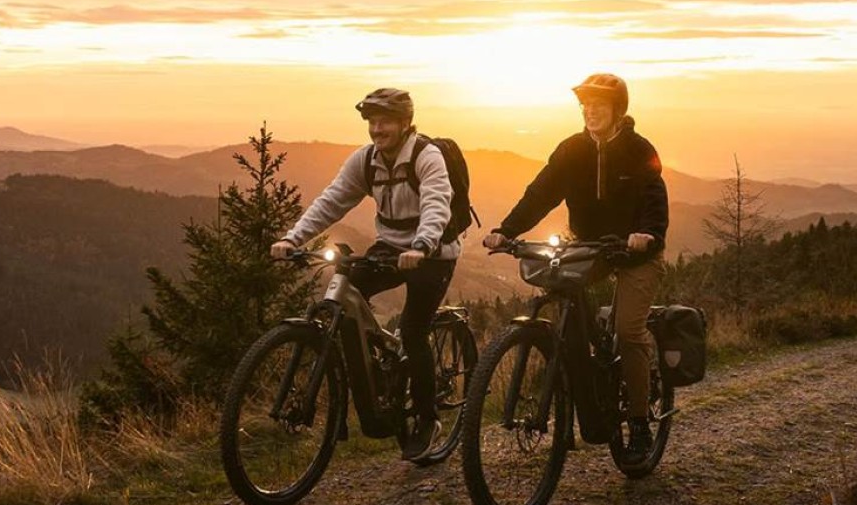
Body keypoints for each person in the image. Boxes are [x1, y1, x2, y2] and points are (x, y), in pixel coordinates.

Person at [483, 73, 669, 464]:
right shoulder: (571, 150)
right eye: (585, 104)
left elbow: (655, 195)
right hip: (589, 249)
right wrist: (507, 230)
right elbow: (540, 193)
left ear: (618, 109)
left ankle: (638, 423)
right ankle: (583, 390)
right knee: (563, 299)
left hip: (637, 252)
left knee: (628, 331)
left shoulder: (639, 149)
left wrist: (647, 234)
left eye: (599, 104)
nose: (590, 110)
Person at [270, 88, 459, 461]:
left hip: (433, 250)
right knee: (347, 293)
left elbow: (438, 203)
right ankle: (382, 372)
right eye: (371, 122)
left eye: (385, 121)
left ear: (405, 123)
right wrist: (293, 237)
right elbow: (333, 200)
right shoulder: (366, 160)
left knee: (415, 328)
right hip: (390, 246)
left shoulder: (427, 156)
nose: (377, 129)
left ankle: (426, 419)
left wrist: (421, 246)